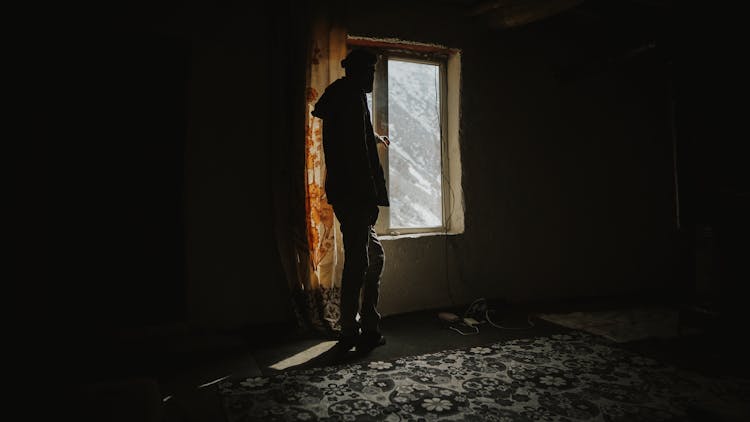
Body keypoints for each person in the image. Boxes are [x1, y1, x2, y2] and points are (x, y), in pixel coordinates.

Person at [312, 48, 390, 354]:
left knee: (372, 258)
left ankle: (363, 327)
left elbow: (351, 139)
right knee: (360, 262)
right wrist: (370, 198)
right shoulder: (351, 97)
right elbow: (354, 155)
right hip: (355, 195)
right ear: (357, 71)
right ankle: (353, 331)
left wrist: (374, 138)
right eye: (369, 72)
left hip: (347, 193)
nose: (372, 77)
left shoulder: (345, 95)